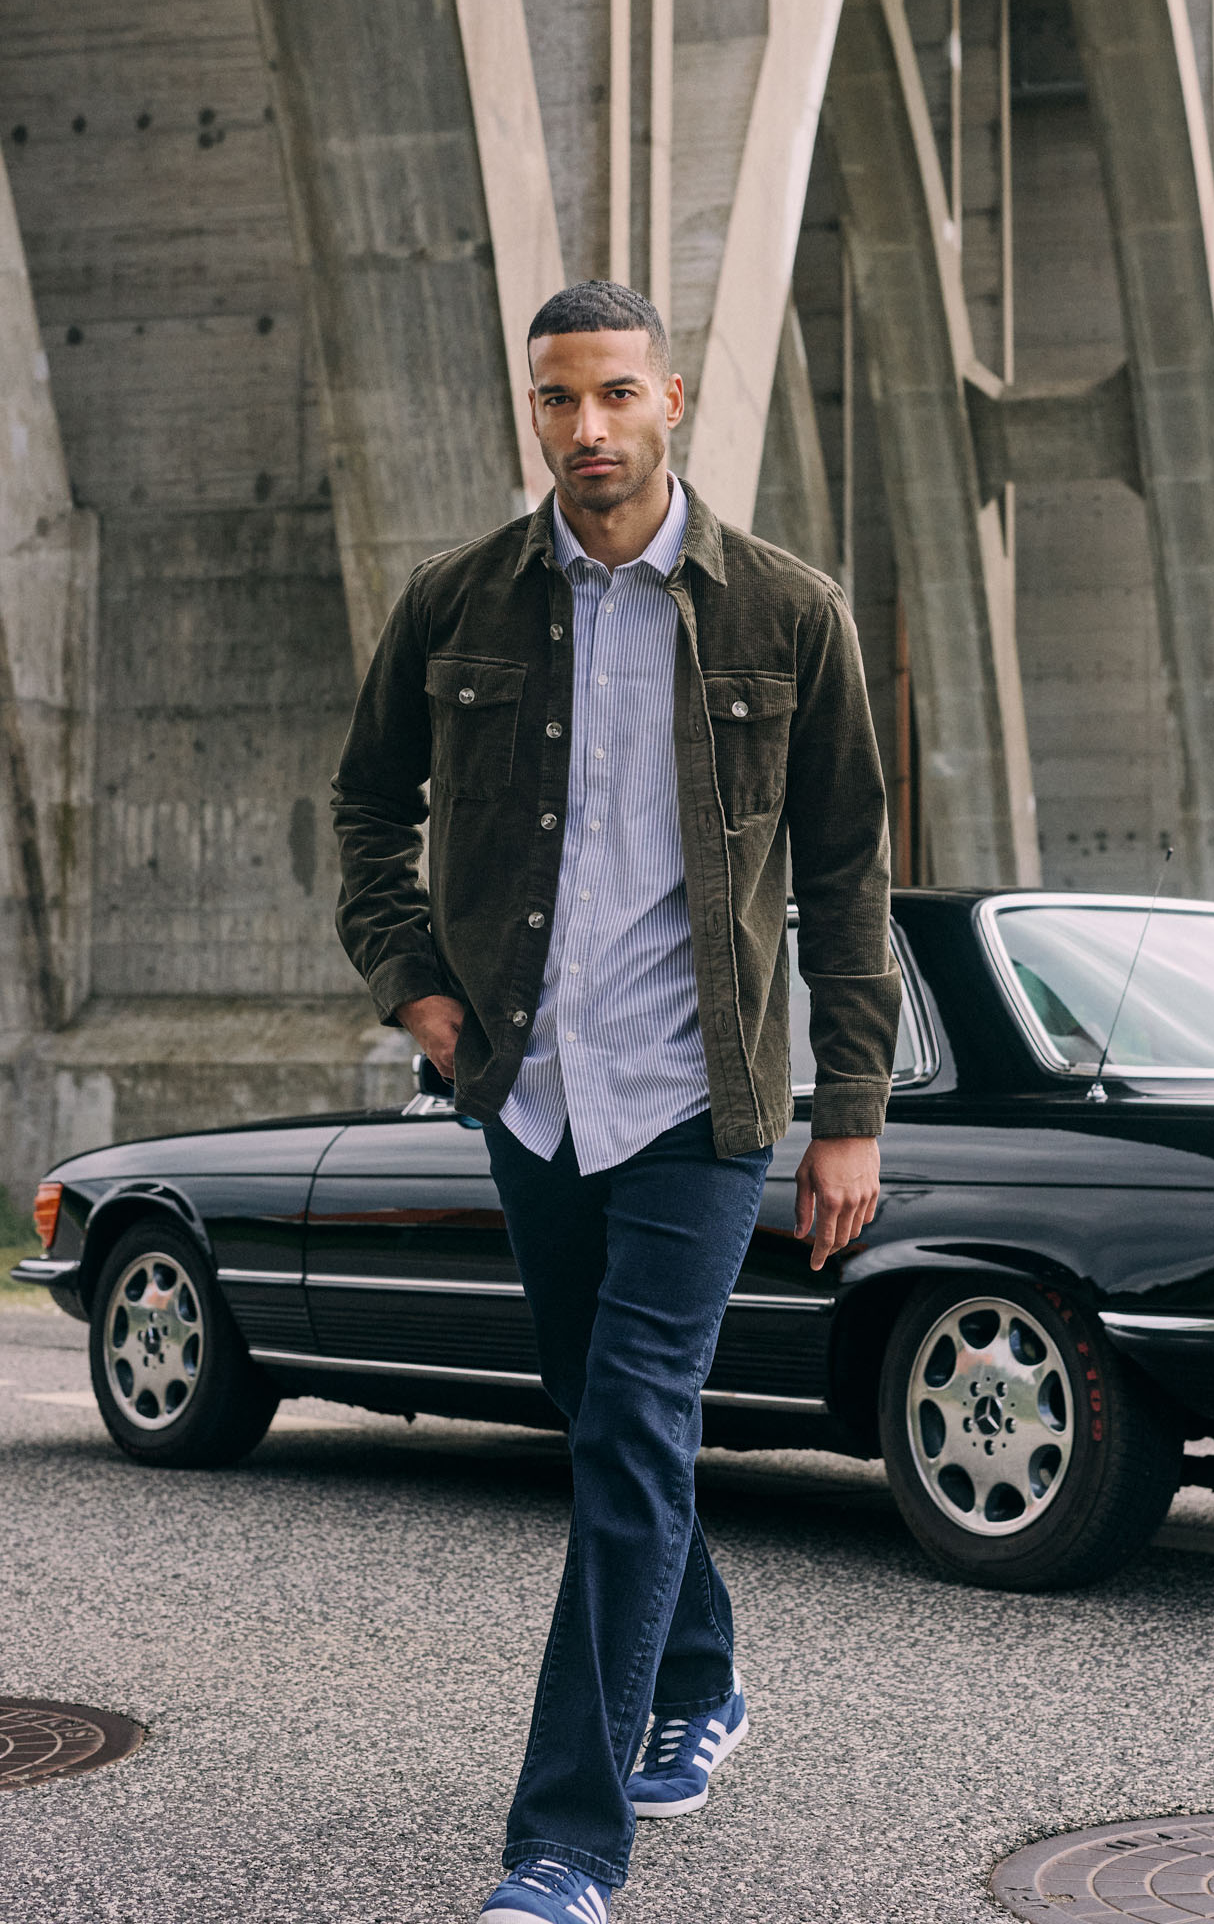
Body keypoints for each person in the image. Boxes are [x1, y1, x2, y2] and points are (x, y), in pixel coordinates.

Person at [329, 279, 901, 1923]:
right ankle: (703, 1673)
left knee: (634, 1430)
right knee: (608, 1428)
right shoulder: (457, 603)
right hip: (527, 1090)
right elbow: (368, 807)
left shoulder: (788, 613)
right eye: (557, 401)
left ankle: (566, 1844)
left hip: (699, 1100)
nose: (586, 430)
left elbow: (852, 868)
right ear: (536, 413)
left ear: (673, 402)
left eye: (614, 397)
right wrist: (418, 990)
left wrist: (848, 1105)